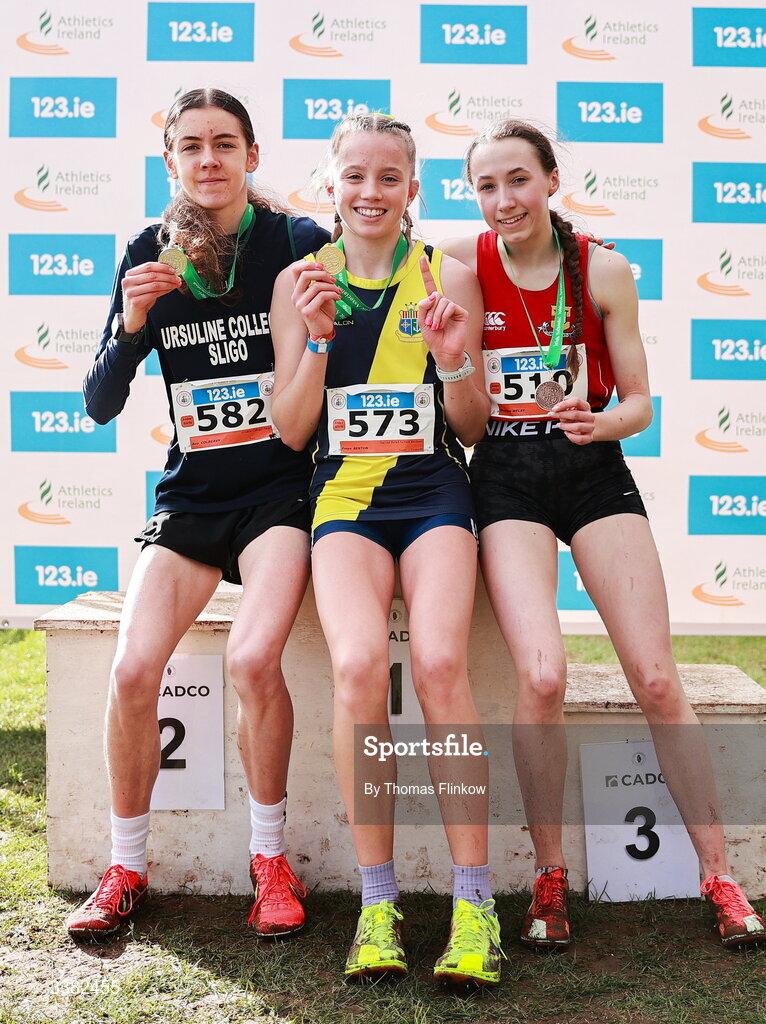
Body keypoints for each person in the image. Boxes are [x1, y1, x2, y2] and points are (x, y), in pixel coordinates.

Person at [440, 118, 766, 951]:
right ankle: (549, 876)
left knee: (657, 677)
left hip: (592, 470)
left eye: (518, 179)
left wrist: (601, 421)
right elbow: (471, 426)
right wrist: (456, 367)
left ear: (552, 180)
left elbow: (639, 403)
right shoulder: (463, 265)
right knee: (543, 679)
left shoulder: (605, 268)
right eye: (486, 186)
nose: (504, 200)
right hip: (507, 476)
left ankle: (719, 877)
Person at [66, 88, 330, 940]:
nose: (208, 159)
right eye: (191, 146)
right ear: (170, 159)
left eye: (225, 143)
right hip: (192, 497)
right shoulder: (151, 252)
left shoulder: (294, 242)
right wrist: (134, 324)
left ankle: (270, 859)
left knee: (254, 663)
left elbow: (375, 301)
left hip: (282, 497)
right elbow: (100, 402)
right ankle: (126, 867)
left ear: (253, 156)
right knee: (134, 671)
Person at [270, 114, 504, 985]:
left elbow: (473, 428)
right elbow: (292, 433)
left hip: (434, 493)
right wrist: (321, 340)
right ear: (329, 184)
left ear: (414, 188)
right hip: (343, 500)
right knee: (360, 665)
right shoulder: (301, 281)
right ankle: (378, 906)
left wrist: (453, 360)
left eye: (389, 177)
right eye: (354, 176)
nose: (371, 192)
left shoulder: (446, 274)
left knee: (441, 664)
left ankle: (473, 907)